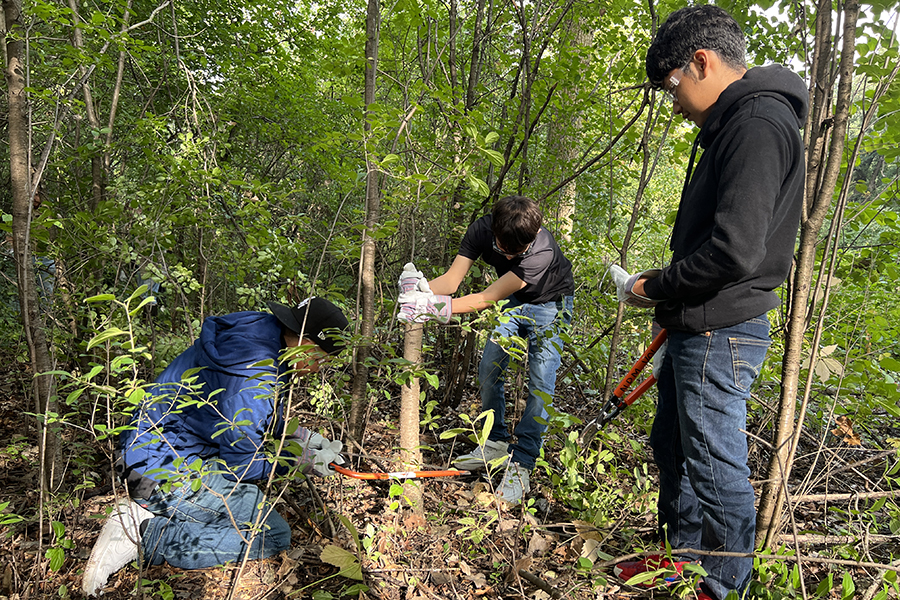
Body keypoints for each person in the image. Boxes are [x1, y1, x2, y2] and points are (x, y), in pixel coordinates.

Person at [610, 6, 808, 600]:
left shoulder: (756, 125)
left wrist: (655, 286)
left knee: (715, 464)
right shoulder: (731, 125)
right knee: (674, 446)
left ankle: (721, 586)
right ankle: (685, 561)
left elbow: (736, 251)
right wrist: (664, 285)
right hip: (699, 323)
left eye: (672, 85)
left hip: (721, 329)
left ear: (702, 61)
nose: (673, 102)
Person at [82, 297, 350, 596]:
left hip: (156, 450)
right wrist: (299, 462)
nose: (320, 368)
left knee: (253, 505)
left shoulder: (260, 334)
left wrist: (298, 434)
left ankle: (154, 512)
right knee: (273, 534)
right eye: (324, 358)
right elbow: (242, 465)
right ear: (306, 342)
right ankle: (143, 535)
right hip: (159, 470)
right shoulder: (255, 374)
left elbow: (244, 412)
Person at [398, 195, 575, 505]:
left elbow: (487, 297)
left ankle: (522, 461)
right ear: (494, 232)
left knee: (540, 385)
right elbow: (452, 282)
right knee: (489, 368)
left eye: (517, 252)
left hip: (551, 305)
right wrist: (421, 290)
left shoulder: (541, 252)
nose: (510, 257)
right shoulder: (482, 230)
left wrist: (431, 308)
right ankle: (495, 443)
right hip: (513, 303)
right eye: (505, 250)